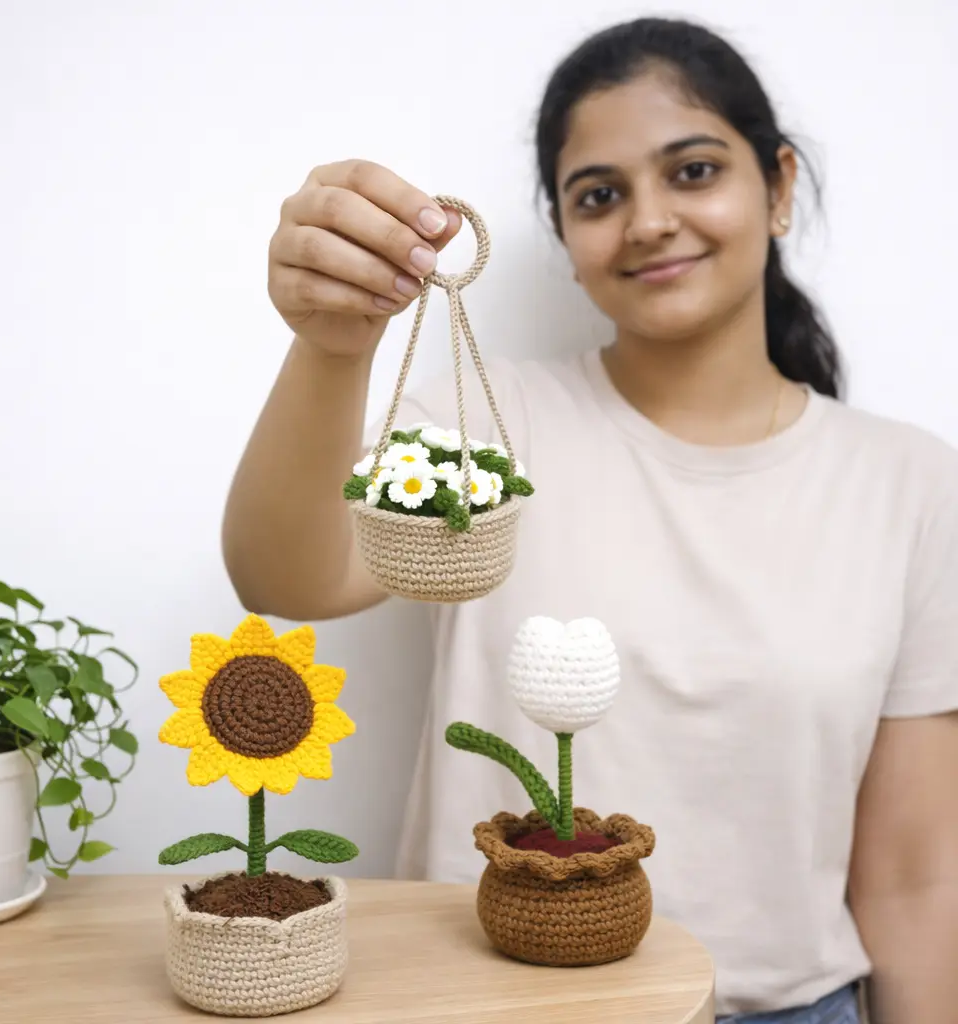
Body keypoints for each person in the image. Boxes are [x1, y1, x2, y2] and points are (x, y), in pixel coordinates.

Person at [222, 16, 958, 1023]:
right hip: (483, 999)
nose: (648, 220)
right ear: (567, 239)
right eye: (599, 195)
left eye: (692, 172)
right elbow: (285, 577)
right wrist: (331, 348)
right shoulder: (486, 430)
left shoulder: (908, 482)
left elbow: (914, 880)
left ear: (778, 186)